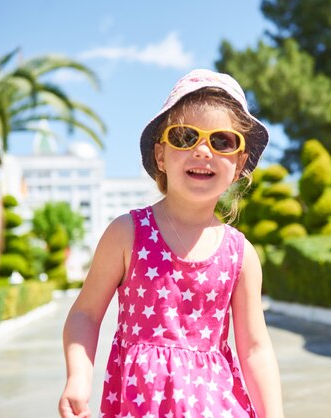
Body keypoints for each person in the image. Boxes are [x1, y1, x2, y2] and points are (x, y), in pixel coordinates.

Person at [59, 69, 284, 417]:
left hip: (217, 406)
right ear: (161, 155)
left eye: (222, 141)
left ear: (239, 164)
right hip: (140, 404)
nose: (203, 151)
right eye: (184, 137)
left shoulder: (240, 254)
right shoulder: (128, 233)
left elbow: (255, 349)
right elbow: (85, 315)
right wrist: (78, 375)